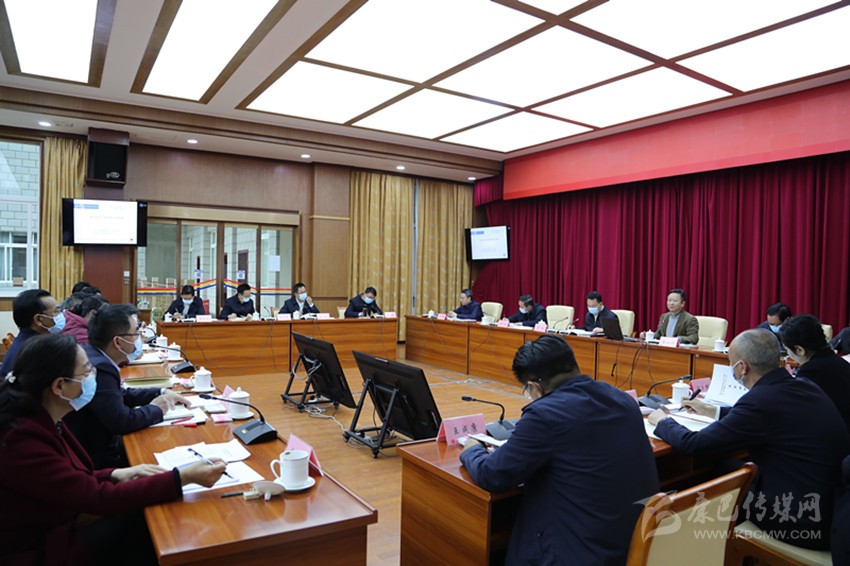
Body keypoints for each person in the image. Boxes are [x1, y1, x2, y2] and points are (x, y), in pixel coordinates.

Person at [0, 333, 224, 565]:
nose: (92, 377)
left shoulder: (41, 414)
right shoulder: (21, 439)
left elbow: (68, 478)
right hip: (41, 548)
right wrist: (182, 477)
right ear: (59, 386)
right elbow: (96, 498)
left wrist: (115, 474)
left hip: (59, 522)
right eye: (86, 372)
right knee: (149, 524)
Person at [460, 335, 659, 564]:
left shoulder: (544, 415)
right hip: (632, 544)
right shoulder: (621, 398)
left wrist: (473, 449)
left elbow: (493, 475)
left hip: (580, 553)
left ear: (534, 387)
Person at [648, 329, 850, 549]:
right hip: (831, 506)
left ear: (742, 367)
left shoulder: (760, 401)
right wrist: (713, 411)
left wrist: (663, 422)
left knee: (712, 482)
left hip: (799, 519)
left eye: (730, 362)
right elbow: (763, 418)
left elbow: (693, 444)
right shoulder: (802, 385)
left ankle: (704, 548)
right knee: (725, 466)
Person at [64, 304, 191, 468]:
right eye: (135, 334)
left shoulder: (94, 354)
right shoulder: (101, 368)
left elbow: (120, 394)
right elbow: (122, 421)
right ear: (118, 342)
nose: (138, 338)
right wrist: (156, 409)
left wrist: (161, 391)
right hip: (98, 458)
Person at [780, 314, 850, 433]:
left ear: (799, 350)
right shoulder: (838, 362)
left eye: (787, 350)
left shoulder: (810, 373)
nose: (787, 354)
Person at [0, 288, 63, 376]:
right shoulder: (36, 353)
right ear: (38, 319)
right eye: (56, 311)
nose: (61, 315)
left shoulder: (29, 342)